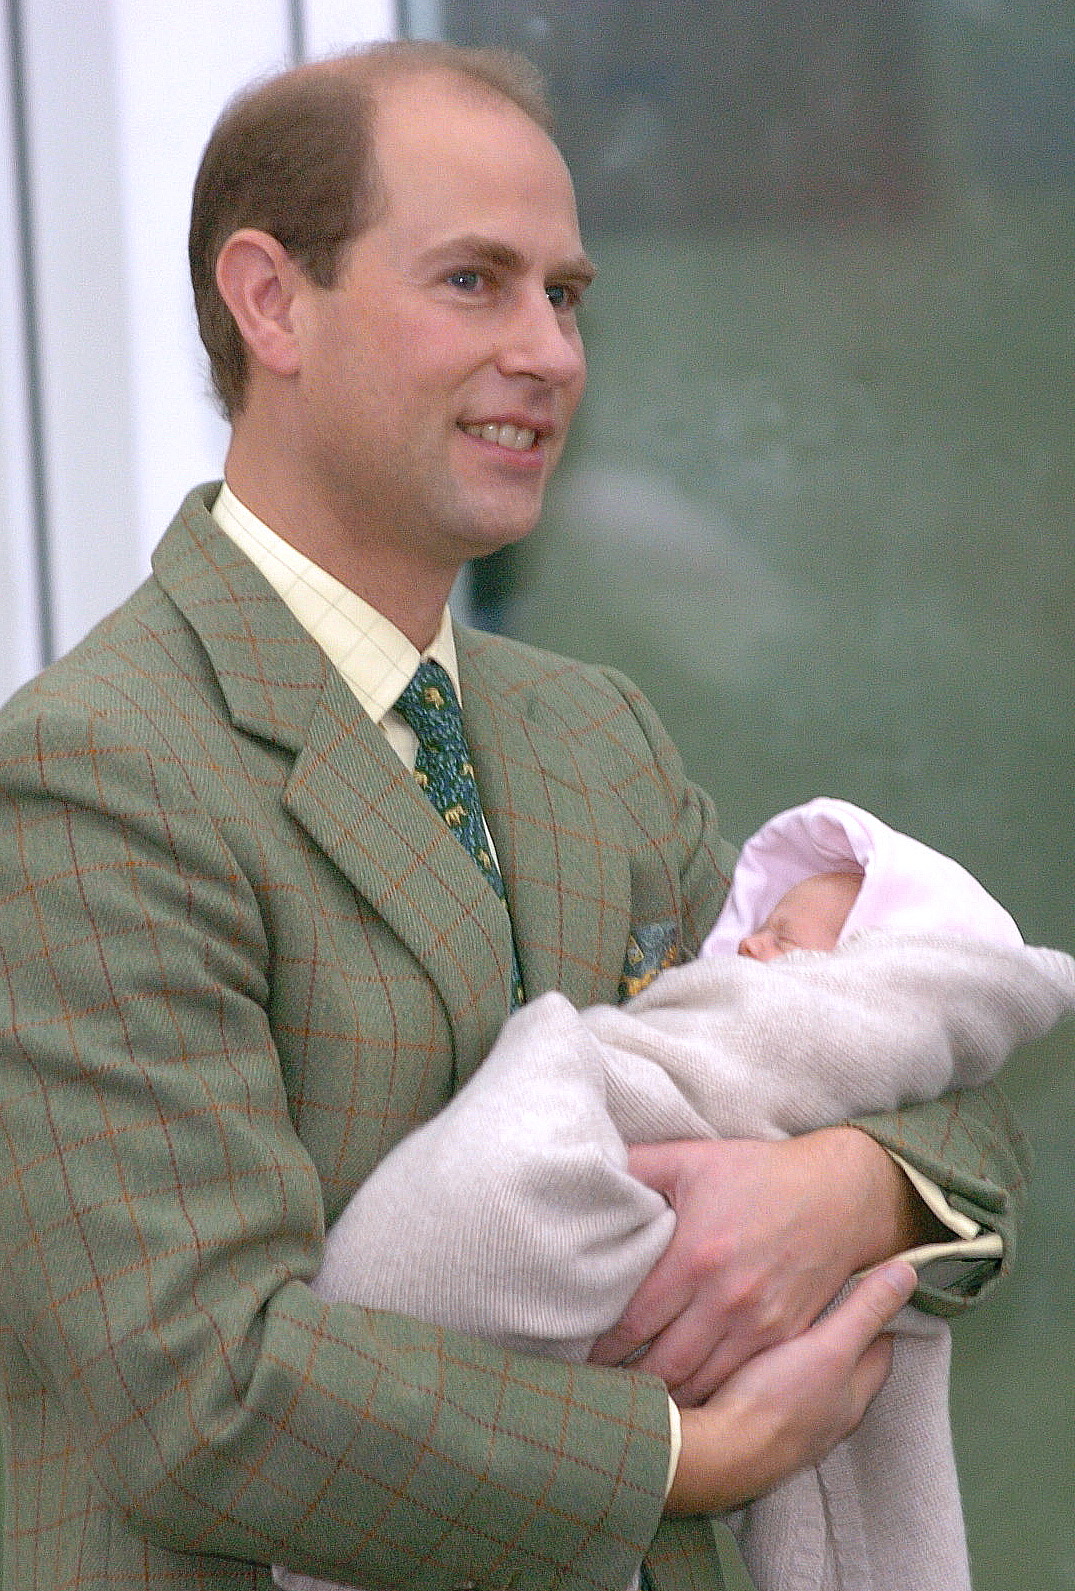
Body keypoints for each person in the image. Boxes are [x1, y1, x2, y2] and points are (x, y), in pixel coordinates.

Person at [0, 43, 1030, 1591]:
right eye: (474, 281)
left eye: (565, 292)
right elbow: (202, 1393)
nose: (548, 350)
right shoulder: (89, 772)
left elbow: (893, 1049)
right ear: (270, 300)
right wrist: (695, 1456)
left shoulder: (591, 733)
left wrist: (851, 1189)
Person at [283, 797, 1074, 1591]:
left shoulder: (618, 753)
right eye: (758, 927)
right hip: (369, 1414)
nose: (751, 942)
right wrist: (704, 1452)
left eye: (787, 938)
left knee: (873, 1338)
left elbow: (979, 1117)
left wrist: (863, 1188)